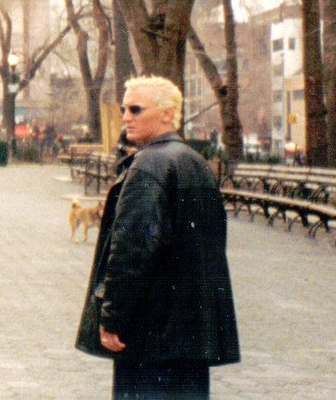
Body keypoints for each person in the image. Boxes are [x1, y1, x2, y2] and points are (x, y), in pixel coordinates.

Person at [76, 76, 240, 399]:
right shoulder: (197, 165)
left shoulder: (148, 166)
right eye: (124, 109)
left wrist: (112, 316)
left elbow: (132, 250)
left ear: (167, 114)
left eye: (136, 109)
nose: (126, 117)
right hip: (192, 339)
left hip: (150, 339)